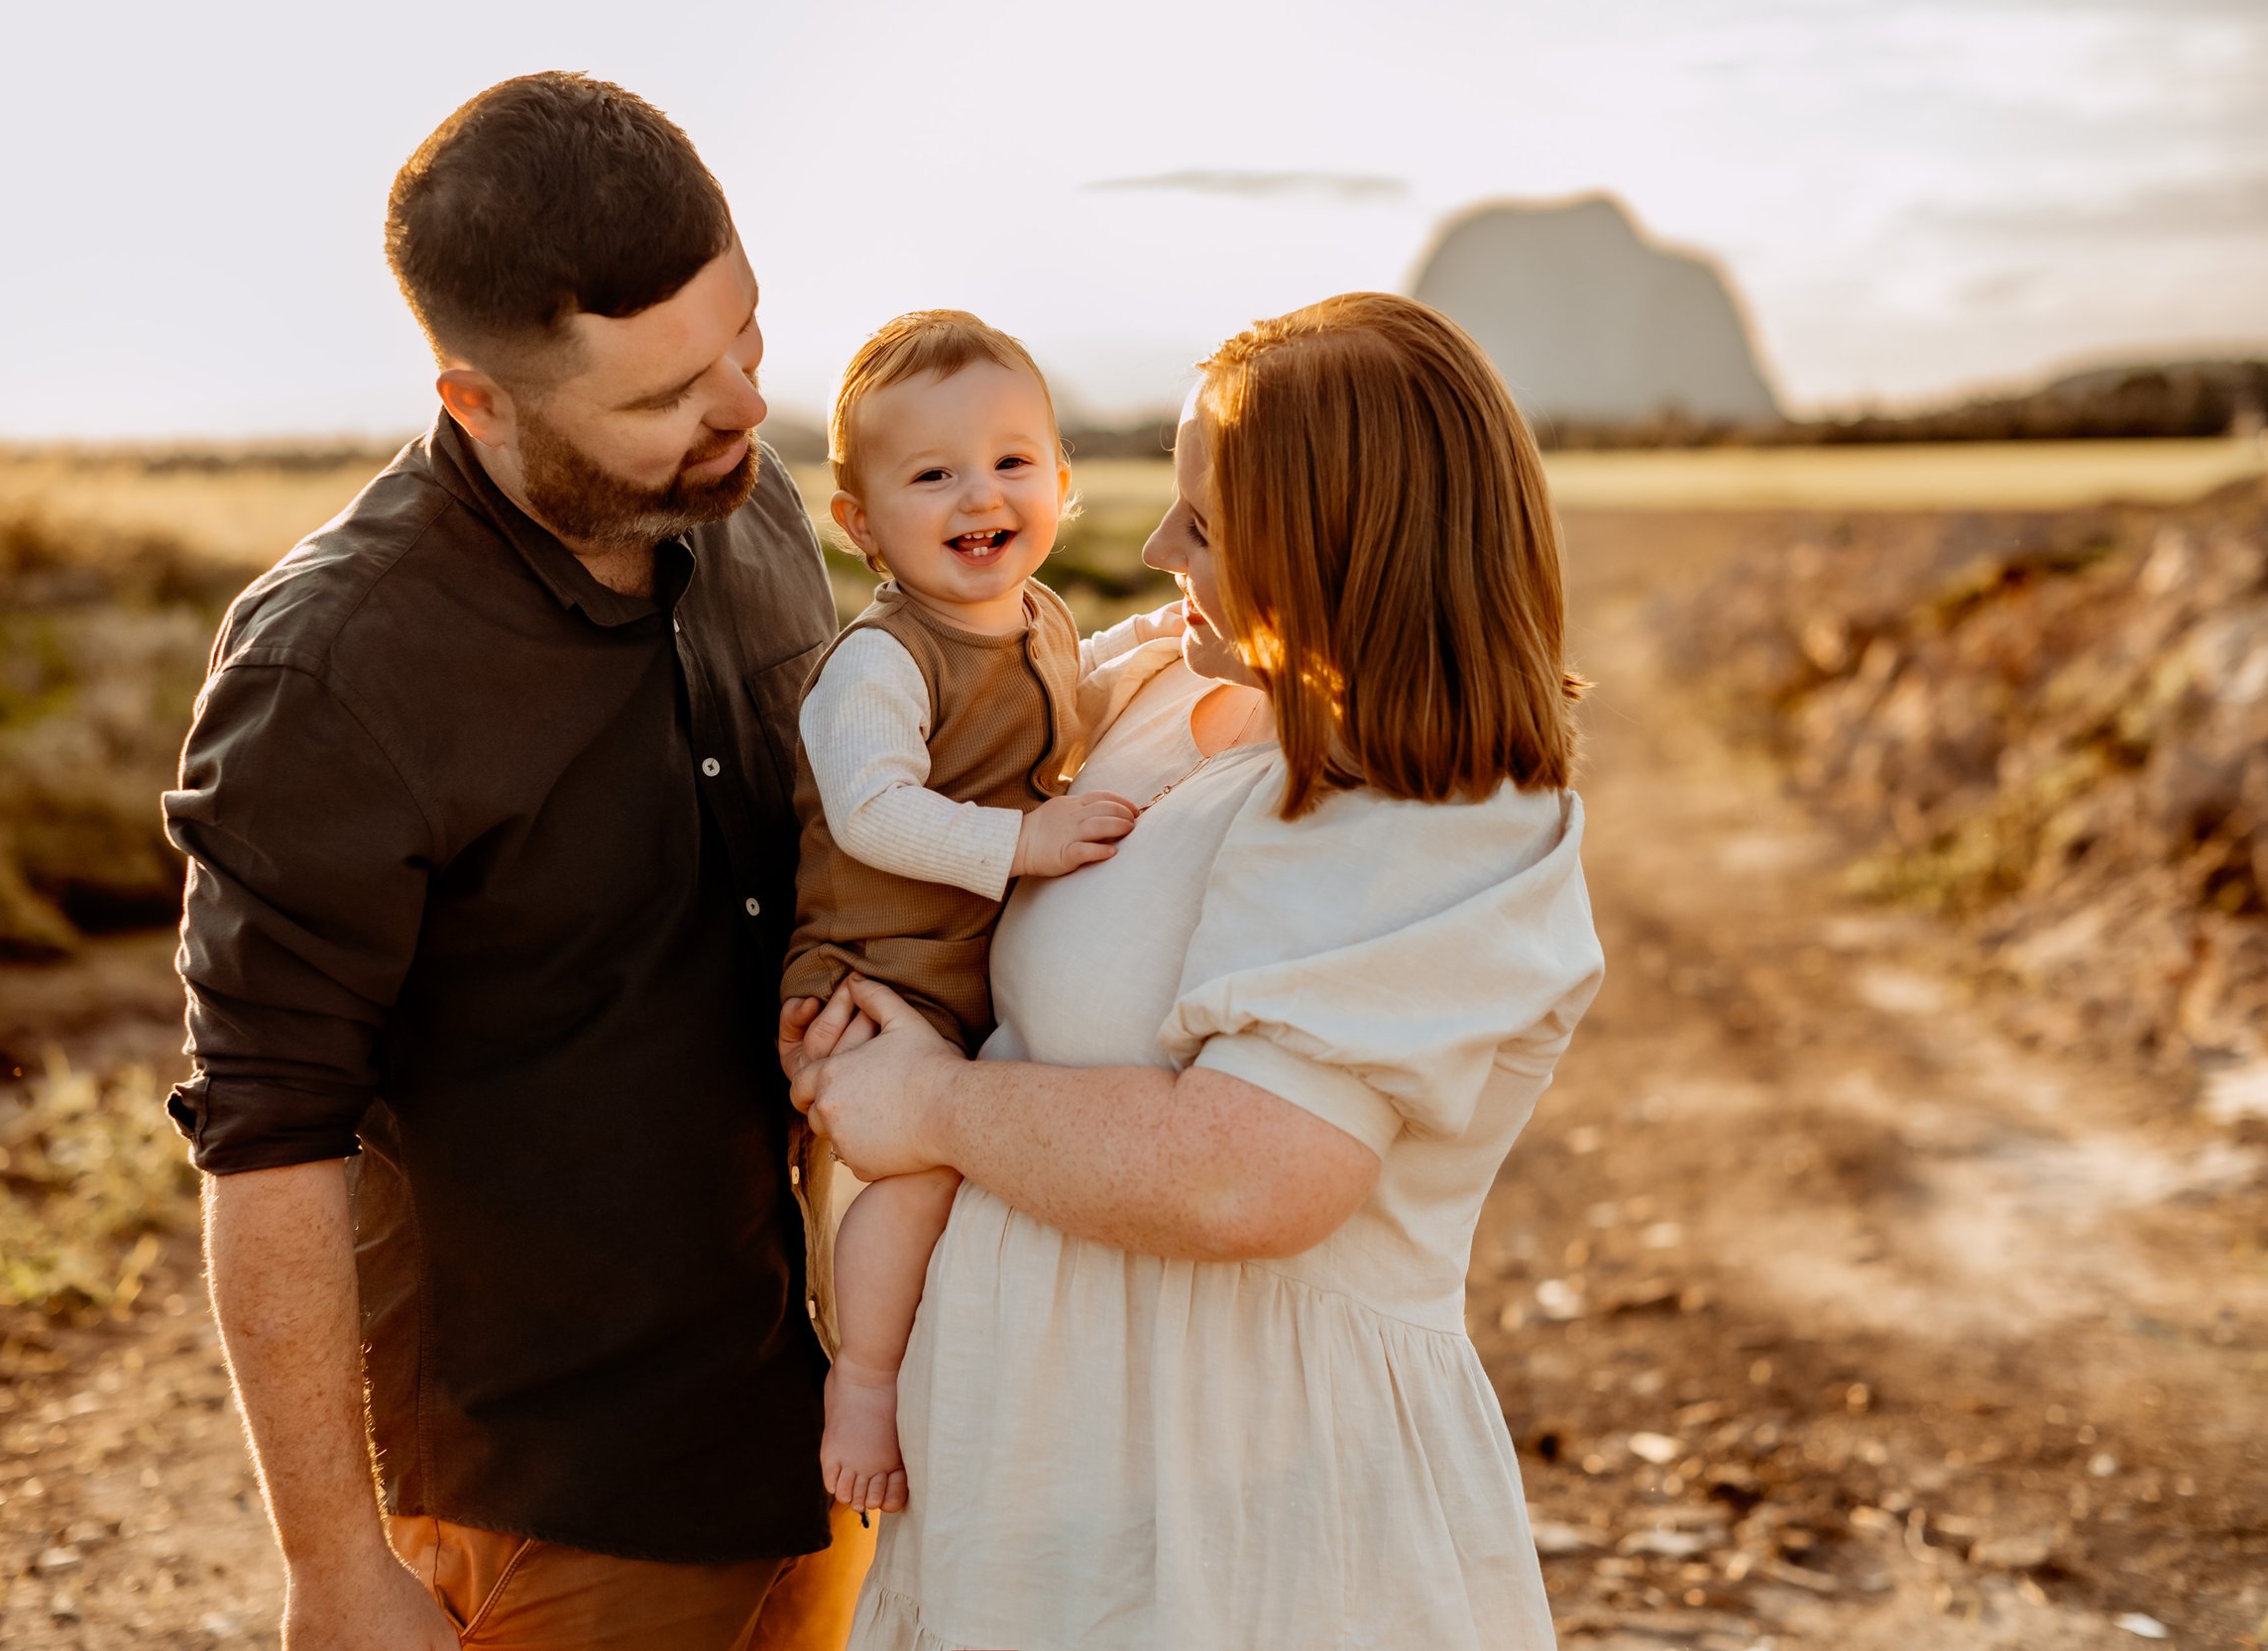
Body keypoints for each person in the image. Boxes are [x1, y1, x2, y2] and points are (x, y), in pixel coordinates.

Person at [783, 291, 1607, 1649]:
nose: (1159, 546)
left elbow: (1245, 1173)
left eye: (1210, 526)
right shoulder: (1165, 691)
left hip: (1248, 1524)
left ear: (1340, 550)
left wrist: (928, 1107)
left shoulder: (1443, 819)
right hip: (1037, 1497)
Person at [163, 72, 868, 1651]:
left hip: (820, 1438)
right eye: (660, 397)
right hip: (549, 1496)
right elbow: (269, 1135)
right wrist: (335, 1568)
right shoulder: (332, 672)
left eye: (741, 341)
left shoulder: (746, 512)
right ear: (479, 401)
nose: (742, 409)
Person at [778, 310, 1180, 1517]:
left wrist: (1147, 650)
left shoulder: (1039, 616)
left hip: (961, 965)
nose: (978, 495)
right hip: (877, 968)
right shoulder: (880, 662)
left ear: (1059, 480)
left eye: (1010, 462)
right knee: (913, 1180)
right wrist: (1028, 842)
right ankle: (863, 1379)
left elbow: (1055, 705)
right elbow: (873, 815)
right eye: (932, 473)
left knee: (987, 1157)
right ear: (861, 525)